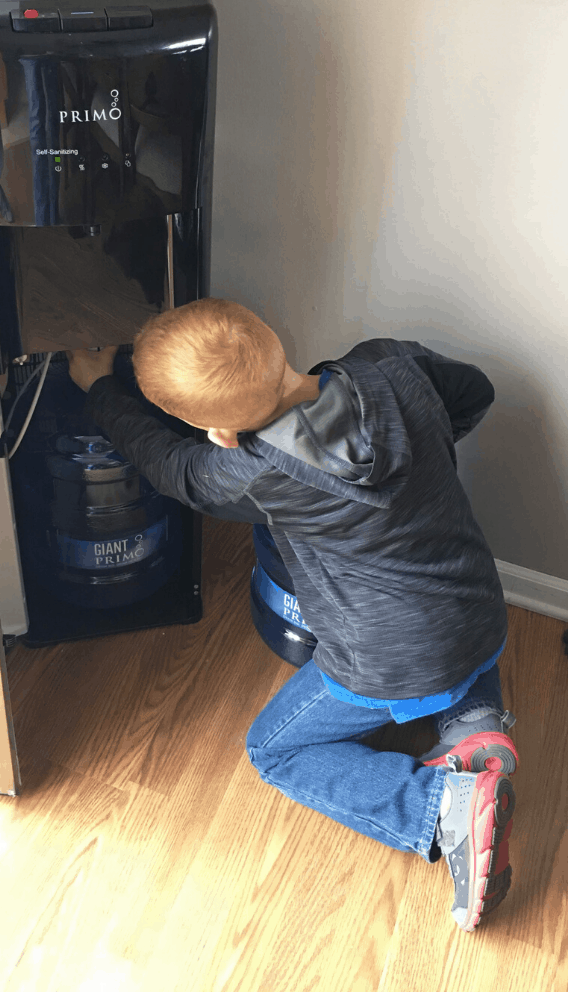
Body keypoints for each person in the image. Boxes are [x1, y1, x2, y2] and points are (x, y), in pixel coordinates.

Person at [65, 297, 518, 933]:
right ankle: (476, 723)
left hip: (390, 661)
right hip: (479, 608)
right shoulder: (390, 364)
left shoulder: (253, 471)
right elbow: (473, 391)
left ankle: (440, 806)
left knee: (273, 751)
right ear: (277, 342)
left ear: (218, 433)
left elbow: (172, 469)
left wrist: (101, 389)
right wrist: (425, 454)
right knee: (450, 645)